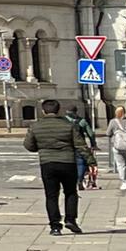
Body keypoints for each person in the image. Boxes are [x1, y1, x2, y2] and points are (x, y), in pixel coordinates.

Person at [24, 96, 87, 235]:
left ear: (43, 111)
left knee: (51, 195)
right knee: (70, 192)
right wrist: (91, 161)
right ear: (58, 110)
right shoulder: (69, 125)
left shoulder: (36, 126)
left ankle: (55, 226)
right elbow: (80, 145)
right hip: (68, 163)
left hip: (47, 163)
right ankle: (71, 220)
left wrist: (41, 148)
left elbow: (28, 145)